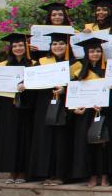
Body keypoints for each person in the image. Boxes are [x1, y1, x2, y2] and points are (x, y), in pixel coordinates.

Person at [28, 32, 76, 185]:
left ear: (67, 45)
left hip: (65, 107)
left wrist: (65, 90)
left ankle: (61, 175)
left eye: (62, 43)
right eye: (55, 44)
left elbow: (81, 85)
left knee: (62, 140)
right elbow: (31, 82)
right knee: (45, 138)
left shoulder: (76, 64)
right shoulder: (42, 62)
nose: (58, 46)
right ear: (50, 46)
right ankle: (47, 174)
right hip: (44, 104)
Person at [0, 33, 36, 183]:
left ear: (26, 46)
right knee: (9, 138)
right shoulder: (1, 66)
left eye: (21, 45)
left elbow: (40, 88)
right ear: (10, 48)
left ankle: (22, 172)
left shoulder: (34, 64)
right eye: (15, 46)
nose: (18, 48)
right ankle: (11, 172)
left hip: (26, 108)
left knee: (24, 137)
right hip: (7, 108)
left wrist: (27, 87)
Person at [69, 37, 112, 187]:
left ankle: (105, 175)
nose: (95, 53)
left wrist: (105, 106)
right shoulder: (79, 70)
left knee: (103, 145)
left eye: (97, 51)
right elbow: (73, 93)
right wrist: (74, 108)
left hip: (104, 112)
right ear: (86, 53)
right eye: (91, 51)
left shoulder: (108, 69)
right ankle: (92, 175)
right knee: (87, 145)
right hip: (85, 114)